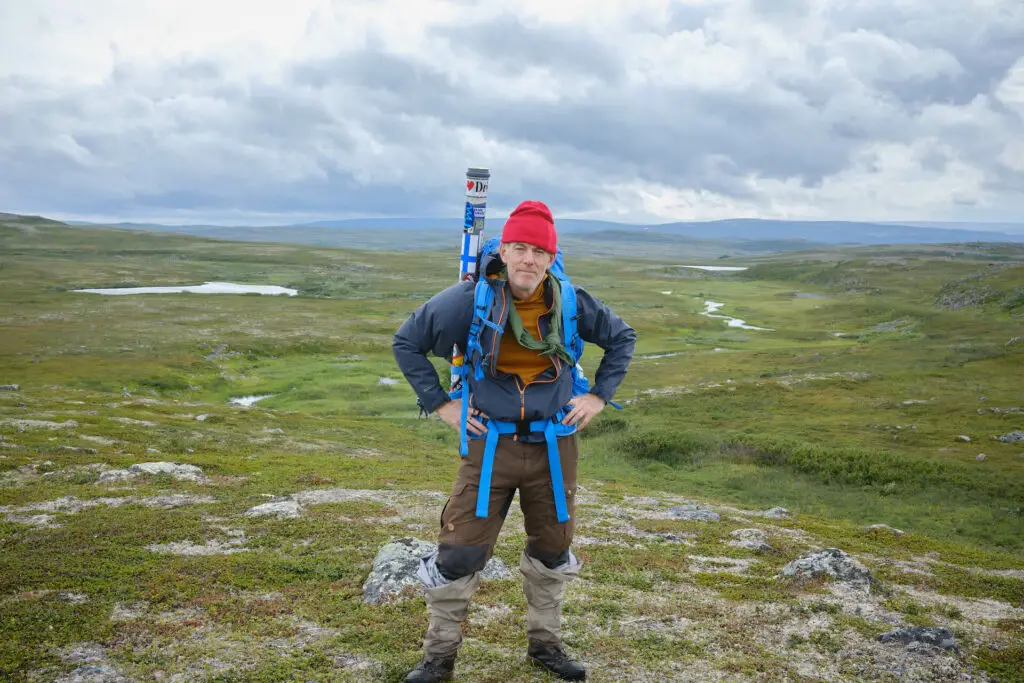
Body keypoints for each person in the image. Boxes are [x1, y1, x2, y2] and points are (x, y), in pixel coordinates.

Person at [392, 199, 636, 682]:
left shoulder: (570, 300)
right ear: (504, 251)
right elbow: (407, 341)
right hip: (491, 448)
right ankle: (439, 658)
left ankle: (545, 646)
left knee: (552, 548)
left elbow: (622, 337)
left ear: (551, 257)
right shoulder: (469, 299)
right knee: (459, 549)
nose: (528, 259)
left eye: (538, 251)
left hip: (554, 446)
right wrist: (442, 404)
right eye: (520, 248)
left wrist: (599, 398)